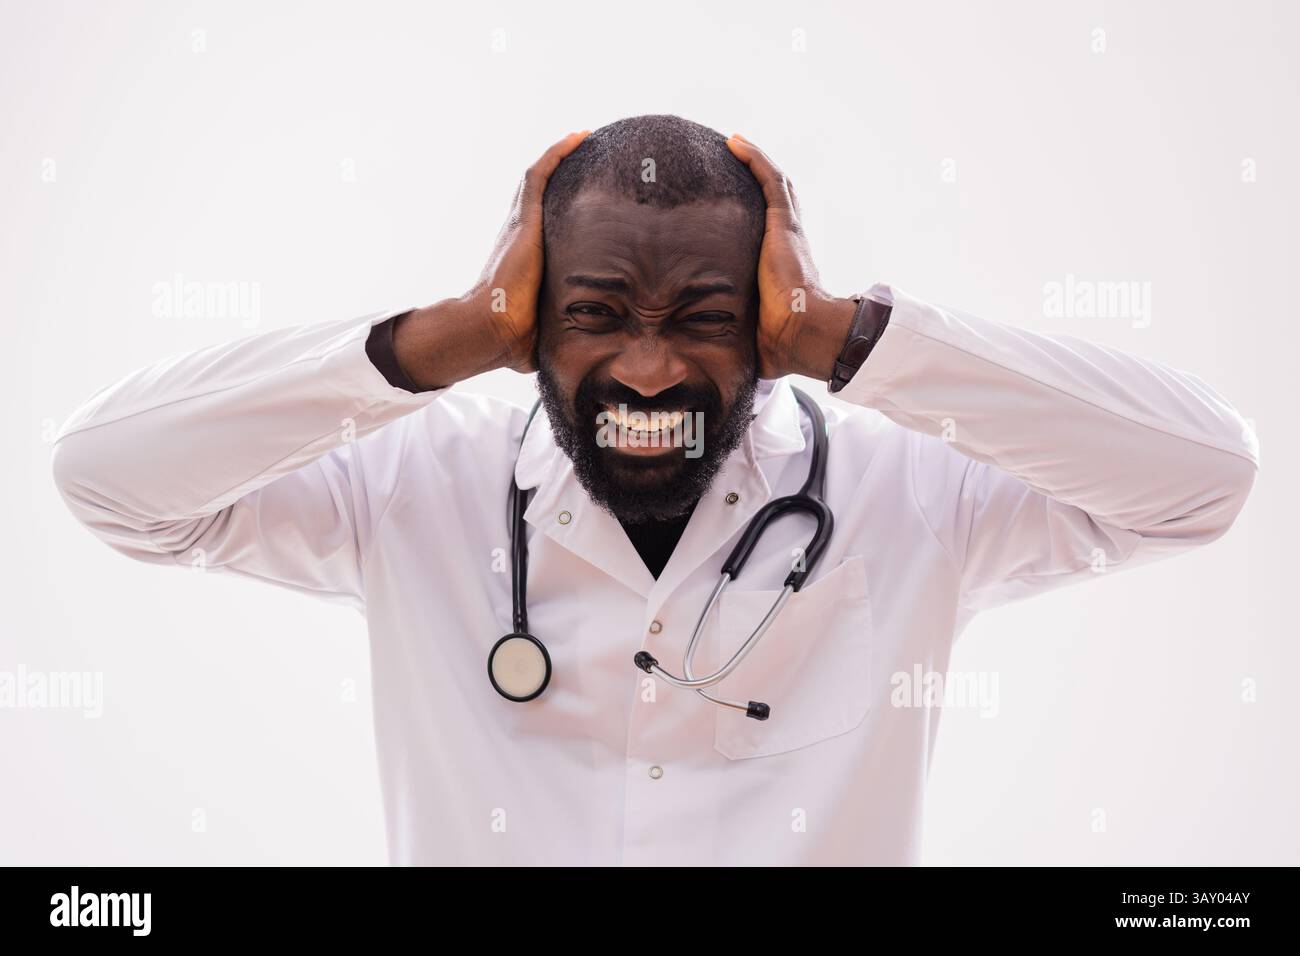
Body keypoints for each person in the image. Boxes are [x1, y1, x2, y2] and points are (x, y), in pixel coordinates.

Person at [50, 115, 1259, 865]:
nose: (646, 364)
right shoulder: (407, 492)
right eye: (590, 315)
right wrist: (440, 339)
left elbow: (1201, 479)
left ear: (768, 325)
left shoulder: (915, 497)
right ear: (524, 325)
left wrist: (852, 338)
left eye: (704, 316)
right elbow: (109, 480)